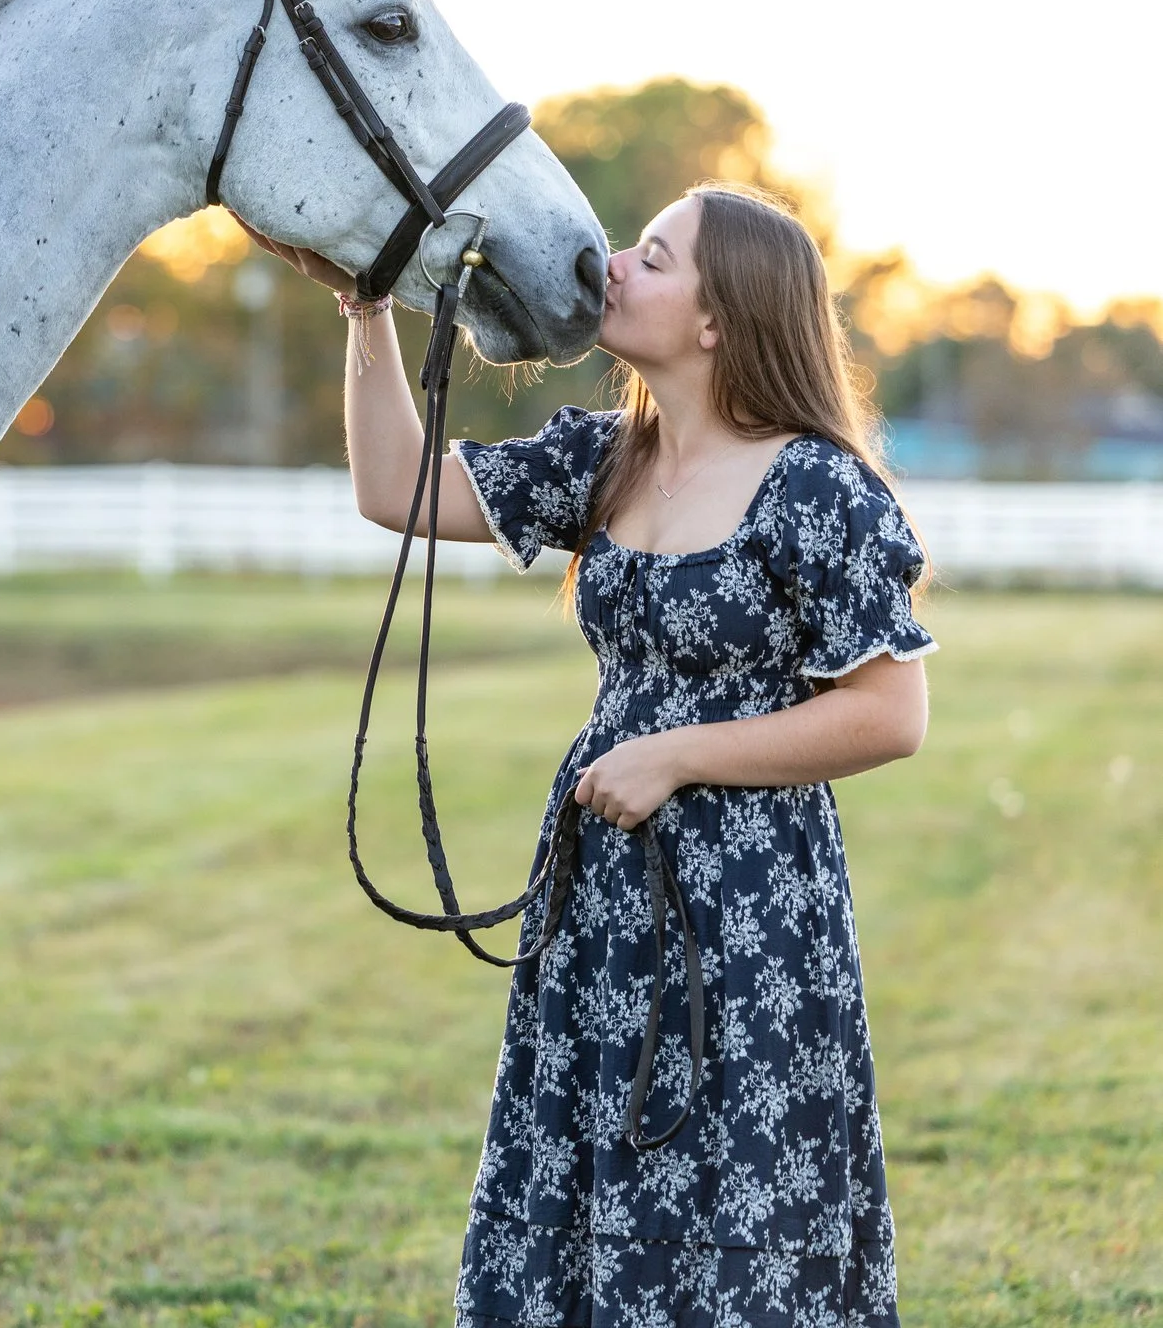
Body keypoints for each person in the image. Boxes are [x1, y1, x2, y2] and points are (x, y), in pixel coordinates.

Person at [249, 184, 933, 1327]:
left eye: (653, 258)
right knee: (585, 1163)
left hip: (752, 914)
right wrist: (366, 316)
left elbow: (889, 713)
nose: (613, 263)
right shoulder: (608, 460)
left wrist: (675, 754)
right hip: (603, 894)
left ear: (718, 320)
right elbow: (394, 489)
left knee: (735, 1182)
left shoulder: (816, 488)